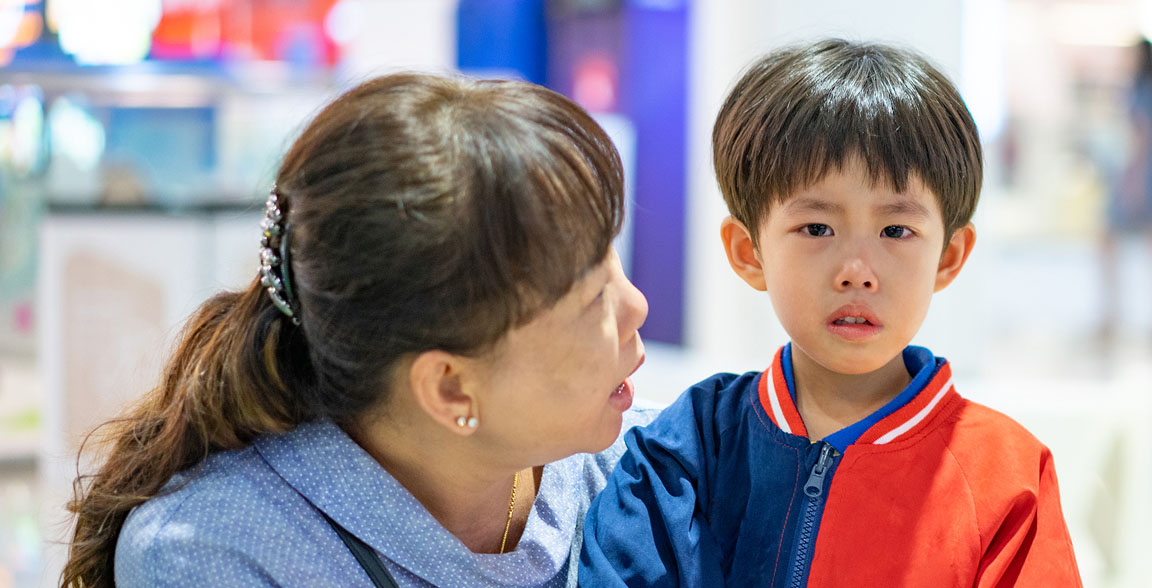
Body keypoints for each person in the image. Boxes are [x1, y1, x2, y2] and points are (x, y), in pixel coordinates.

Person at [61, 73, 652, 588]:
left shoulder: (650, 470)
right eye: (592, 299)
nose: (637, 306)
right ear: (449, 388)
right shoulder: (213, 551)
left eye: (611, 261)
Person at [579, 39, 1082, 587]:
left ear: (949, 256)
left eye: (896, 231)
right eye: (817, 228)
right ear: (750, 253)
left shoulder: (1008, 476)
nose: (857, 270)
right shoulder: (685, 448)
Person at [1099, 37, 1152, 345]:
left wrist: (1132, 181)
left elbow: (1141, 136)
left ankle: (1112, 315)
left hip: (1138, 176)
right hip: (1139, 175)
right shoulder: (1140, 89)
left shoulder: (1141, 91)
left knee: (1108, 242)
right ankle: (1114, 315)